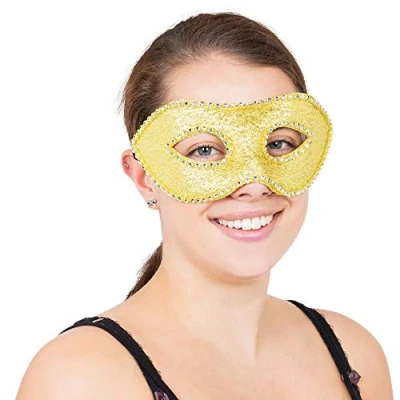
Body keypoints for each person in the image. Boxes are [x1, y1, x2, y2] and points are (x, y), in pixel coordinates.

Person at [16, 11, 393, 400]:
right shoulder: (80, 378)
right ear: (145, 178)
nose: (254, 184)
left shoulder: (354, 355)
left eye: (278, 143)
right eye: (204, 150)